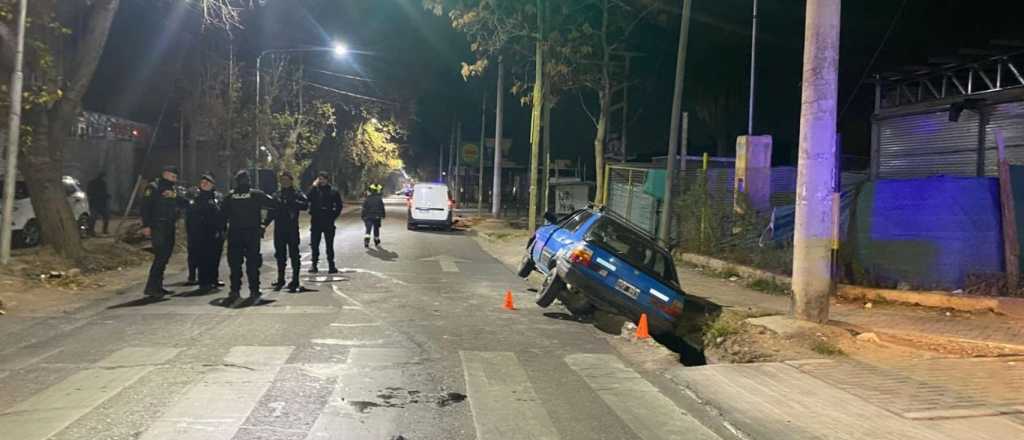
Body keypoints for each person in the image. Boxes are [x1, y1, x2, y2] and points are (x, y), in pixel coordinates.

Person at [222, 170, 277, 306]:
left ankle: (234, 291)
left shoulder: (230, 196)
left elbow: (221, 215)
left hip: (235, 234)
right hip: (252, 234)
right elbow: (275, 205)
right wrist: (264, 223)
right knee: (252, 263)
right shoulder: (256, 194)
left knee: (235, 265)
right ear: (249, 180)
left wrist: (223, 231)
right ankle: (254, 290)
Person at [141, 166, 186, 298]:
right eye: (173, 177)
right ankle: (151, 287)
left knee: (165, 257)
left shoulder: (172, 189)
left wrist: (175, 196)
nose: (175, 180)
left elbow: (183, 203)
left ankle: (158, 286)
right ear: (165, 174)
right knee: (160, 256)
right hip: (158, 226)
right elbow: (145, 207)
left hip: (169, 226)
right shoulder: (153, 187)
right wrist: (146, 226)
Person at [262, 171, 309, 292]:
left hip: (292, 228)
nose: (285, 182)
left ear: (291, 181)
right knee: (280, 255)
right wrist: (264, 224)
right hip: (279, 229)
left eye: (287, 180)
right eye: (282, 180)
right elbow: (271, 212)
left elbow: (305, 205)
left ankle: (295, 279)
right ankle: (280, 278)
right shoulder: (276, 195)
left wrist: (292, 202)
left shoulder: (297, 193)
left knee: (294, 254)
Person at [188, 173, 227, 293]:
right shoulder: (196, 197)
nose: (205, 184)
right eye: (203, 183)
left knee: (215, 257)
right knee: (203, 258)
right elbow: (191, 216)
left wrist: (223, 229)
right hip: (201, 233)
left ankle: (213, 280)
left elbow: (223, 213)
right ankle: (204, 282)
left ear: (212, 185)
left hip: (216, 233)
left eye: (207, 183)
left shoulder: (218, 197)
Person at [307, 171, 343, 274]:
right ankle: (314, 265)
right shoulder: (315, 191)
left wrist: (333, 216)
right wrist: (313, 186)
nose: (321, 180)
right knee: (314, 244)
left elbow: (339, 206)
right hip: (316, 221)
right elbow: (307, 198)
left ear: (327, 179)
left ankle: (331, 265)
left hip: (328, 221)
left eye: (322, 178)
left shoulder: (333, 191)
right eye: (319, 178)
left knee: (329, 245)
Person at [361, 183, 386, 248]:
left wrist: (363, 216)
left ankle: (366, 242)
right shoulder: (379, 199)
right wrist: (383, 215)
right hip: (377, 217)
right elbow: (382, 207)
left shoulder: (367, 199)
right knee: (376, 229)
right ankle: (377, 242)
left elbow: (364, 208)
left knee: (368, 229)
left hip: (368, 217)